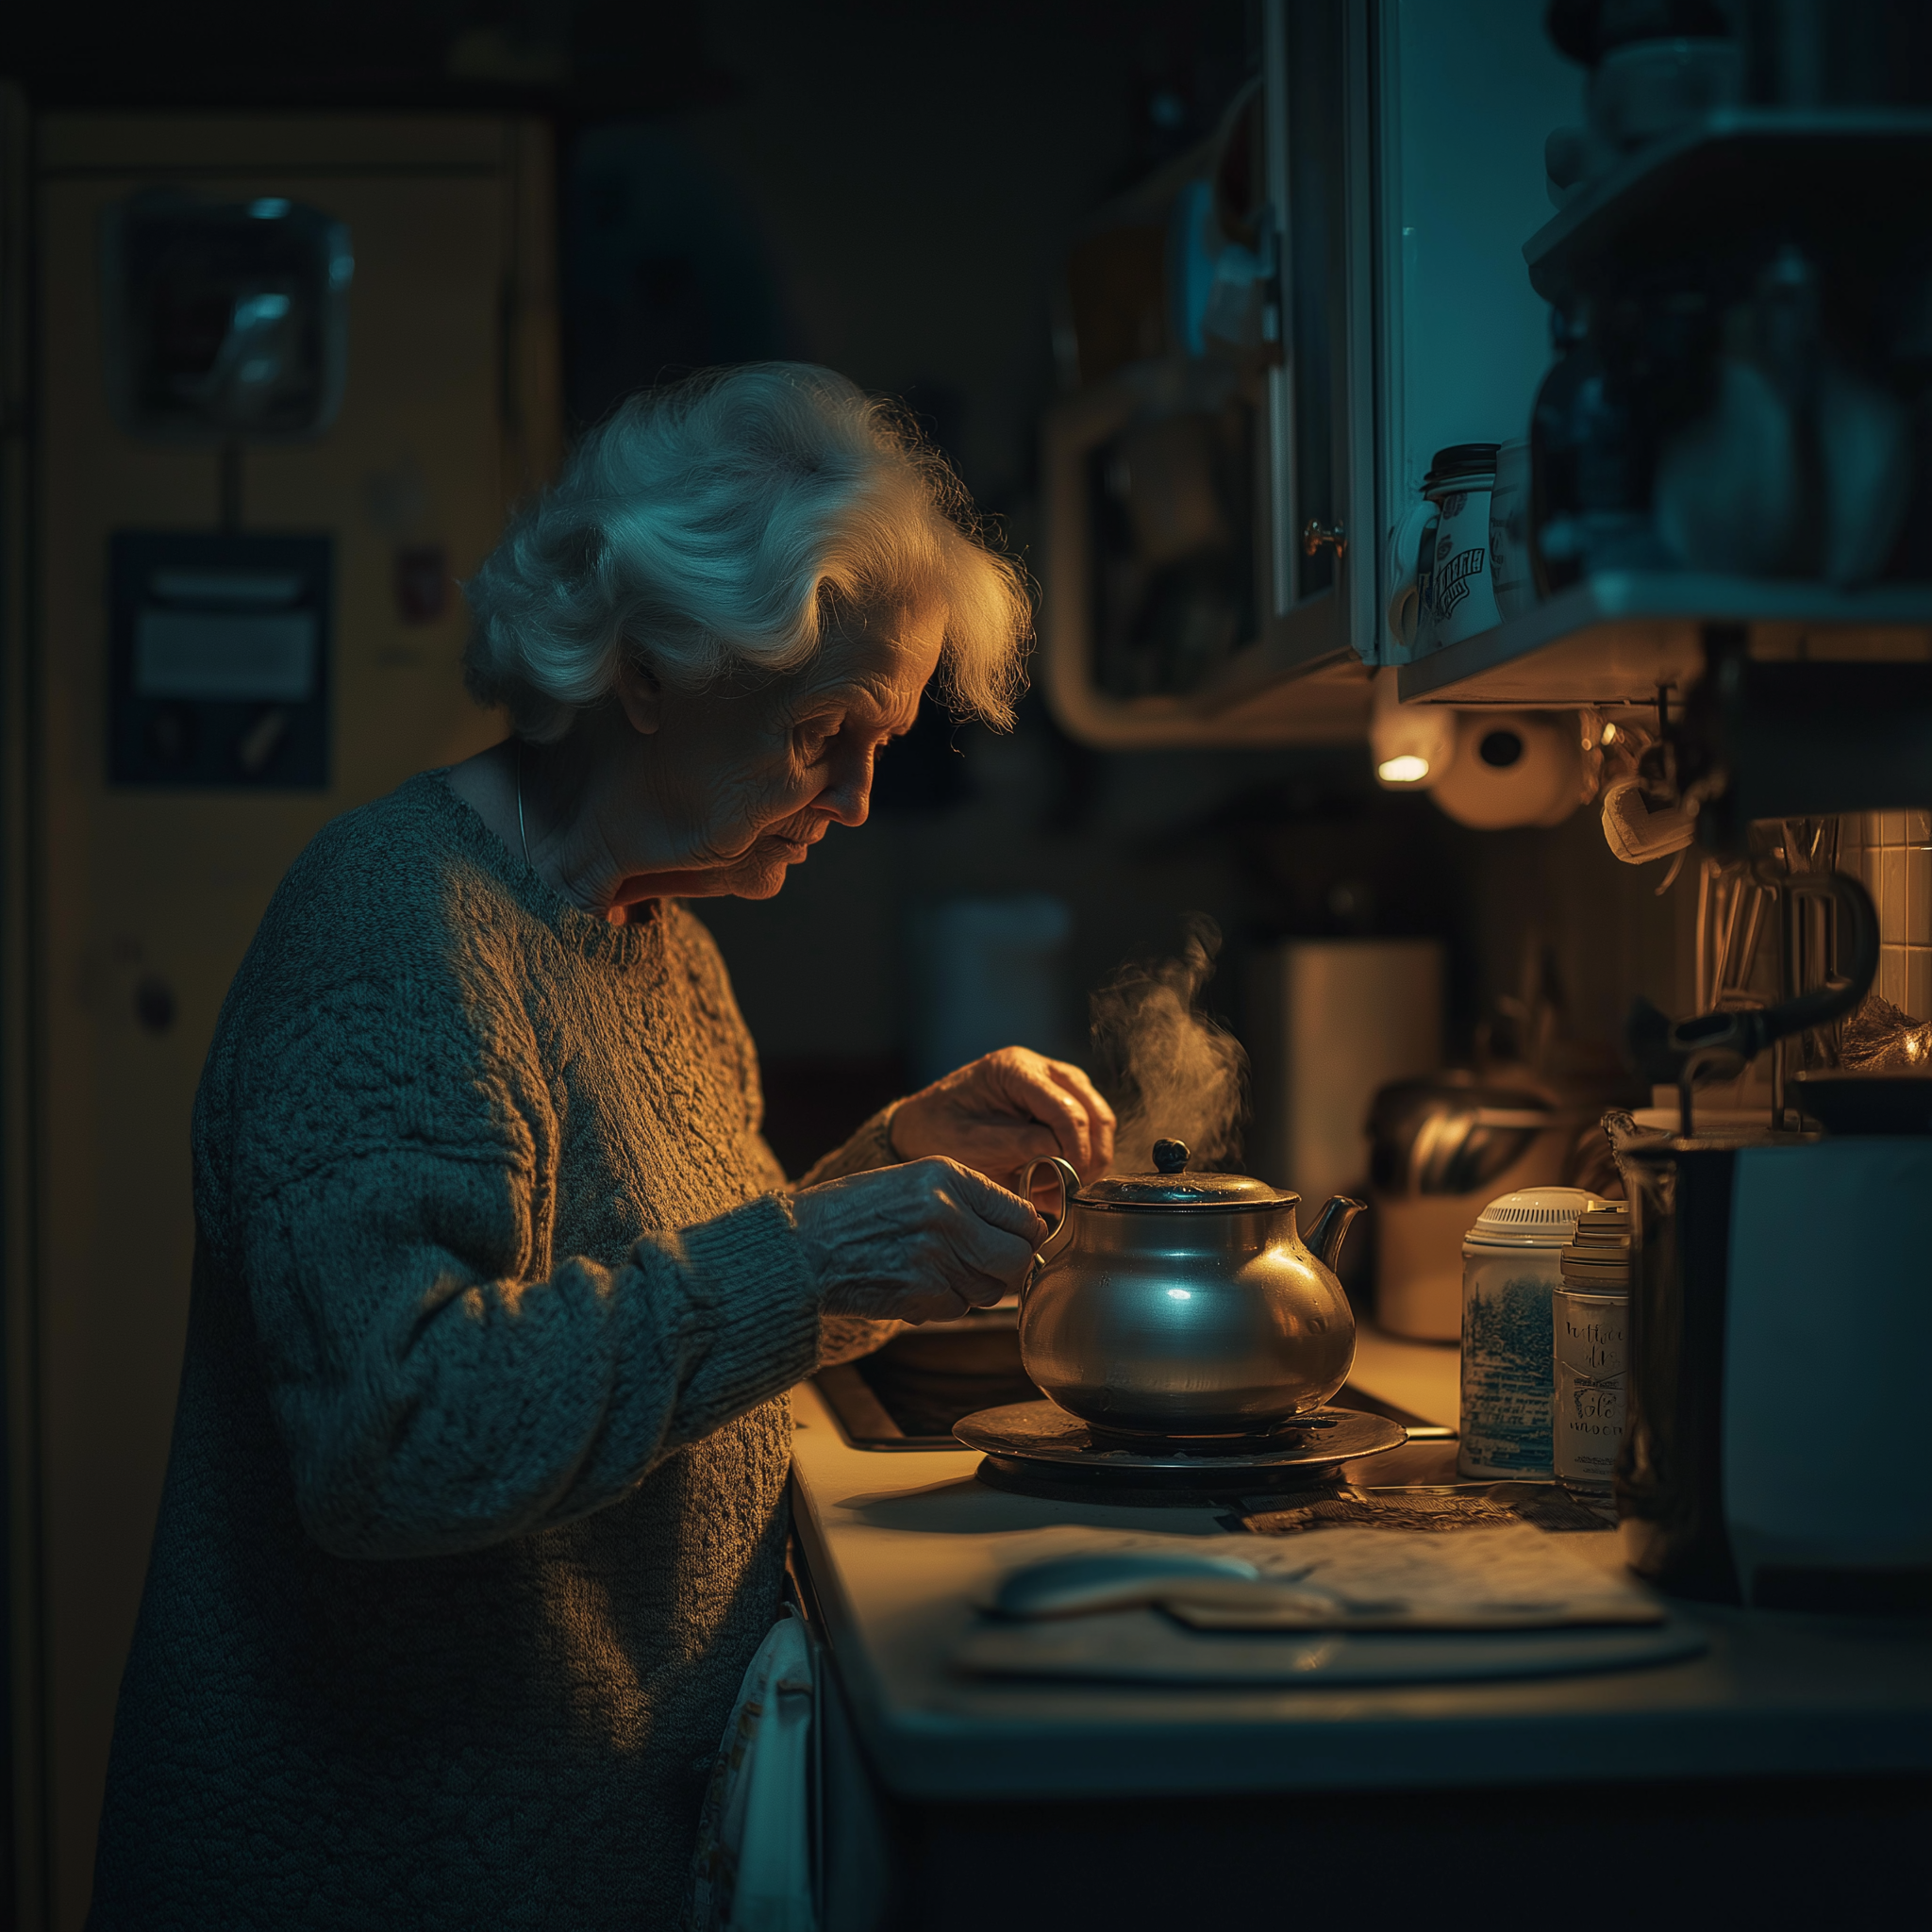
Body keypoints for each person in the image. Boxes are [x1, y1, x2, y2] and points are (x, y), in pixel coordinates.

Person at [89, 364, 1115, 1928]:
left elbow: (655, 1299)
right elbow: (401, 1438)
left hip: (576, 1840)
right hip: (391, 1863)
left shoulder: (656, 935)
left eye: (884, 741)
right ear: (649, 671)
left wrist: (872, 1183)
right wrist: (820, 1247)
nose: (853, 800)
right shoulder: (398, 929)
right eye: (821, 734)